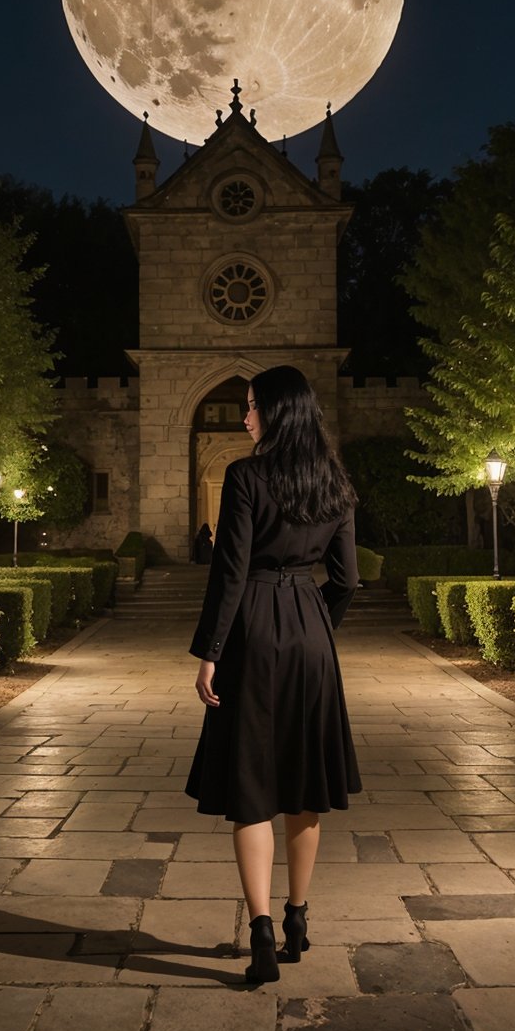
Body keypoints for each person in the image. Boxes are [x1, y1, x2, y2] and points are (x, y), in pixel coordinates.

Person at [185, 365, 361, 985]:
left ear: (279, 413)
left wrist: (211, 650)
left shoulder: (246, 475)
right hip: (311, 632)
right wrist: (316, 627)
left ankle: (260, 936)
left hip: (253, 631)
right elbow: (347, 581)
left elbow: (230, 573)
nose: (246, 416)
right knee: (304, 782)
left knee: (252, 782)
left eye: (254, 406)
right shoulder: (335, 485)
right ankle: (296, 920)